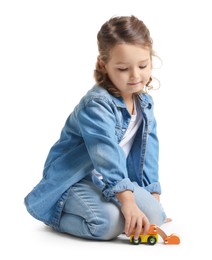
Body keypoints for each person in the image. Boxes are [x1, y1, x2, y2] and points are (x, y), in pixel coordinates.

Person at [24, 15, 169, 241]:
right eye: (122, 68)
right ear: (104, 64)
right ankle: (53, 212)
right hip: (76, 178)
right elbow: (106, 153)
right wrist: (128, 203)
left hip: (110, 181)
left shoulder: (145, 103)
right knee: (107, 224)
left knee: (155, 216)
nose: (135, 76)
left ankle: (120, 207)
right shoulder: (96, 104)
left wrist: (152, 199)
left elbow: (149, 150)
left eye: (143, 65)